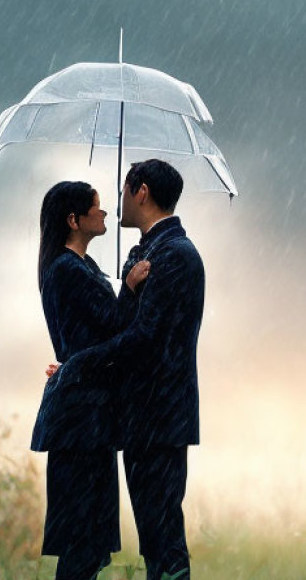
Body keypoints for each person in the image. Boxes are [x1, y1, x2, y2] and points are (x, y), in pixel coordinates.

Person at [57, 160, 204, 580]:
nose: (117, 202)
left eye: (123, 191)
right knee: (155, 537)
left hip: (160, 415)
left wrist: (79, 362)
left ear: (141, 192)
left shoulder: (174, 255)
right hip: (144, 417)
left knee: (163, 538)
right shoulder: (148, 251)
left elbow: (146, 338)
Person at [31, 181, 149, 580]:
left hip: (86, 411)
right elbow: (116, 324)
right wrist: (130, 287)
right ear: (73, 220)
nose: (104, 213)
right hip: (81, 415)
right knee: (83, 534)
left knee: (90, 533)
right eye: (95, 208)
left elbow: (99, 327)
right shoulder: (67, 269)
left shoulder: (79, 267)